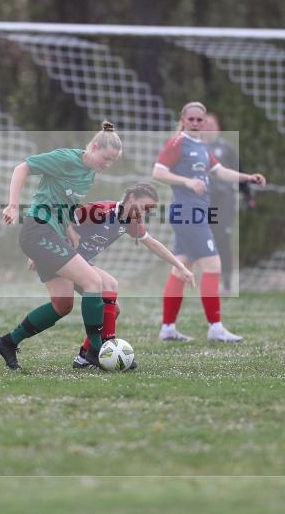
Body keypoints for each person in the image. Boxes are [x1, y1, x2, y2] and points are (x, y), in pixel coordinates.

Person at [0, 122, 123, 370]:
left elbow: (65, 206)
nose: (107, 164)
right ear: (94, 147)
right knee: (94, 283)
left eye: (112, 161)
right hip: (38, 230)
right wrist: (12, 205)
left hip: (50, 239)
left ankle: (8, 342)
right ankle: (95, 351)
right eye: (106, 158)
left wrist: (65, 234)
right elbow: (22, 168)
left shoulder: (90, 173)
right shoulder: (65, 158)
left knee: (64, 304)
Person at [33, 182, 196, 369]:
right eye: (143, 207)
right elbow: (59, 218)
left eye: (148, 211)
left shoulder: (130, 221)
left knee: (113, 309)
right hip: (61, 261)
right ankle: (104, 349)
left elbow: (152, 243)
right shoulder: (101, 211)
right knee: (99, 291)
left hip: (80, 265)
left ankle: (85, 357)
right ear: (131, 198)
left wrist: (180, 266)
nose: (144, 213)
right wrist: (37, 250)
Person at [152, 102, 266, 343]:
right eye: (191, 119)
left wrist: (247, 178)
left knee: (180, 269)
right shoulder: (177, 143)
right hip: (189, 213)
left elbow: (220, 172)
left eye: (199, 120)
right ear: (183, 120)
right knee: (213, 266)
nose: (195, 123)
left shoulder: (202, 146)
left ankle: (168, 328)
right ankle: (215, 328)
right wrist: (187, 182)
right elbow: (158, 172)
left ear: (204, 123)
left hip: (195, 213)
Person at [203, 113, 254, 295]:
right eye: (206, 124)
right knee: (205, 242)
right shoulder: (195, 148)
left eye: (212, 124)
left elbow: (238, 172)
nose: (209, 128)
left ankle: (226, 284)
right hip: (203, 202)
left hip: (224, 201)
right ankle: (208, 282)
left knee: (222, 240)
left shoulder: (227, 149)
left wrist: (248, 195)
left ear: (218, 127)